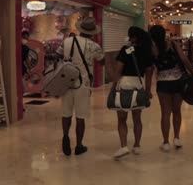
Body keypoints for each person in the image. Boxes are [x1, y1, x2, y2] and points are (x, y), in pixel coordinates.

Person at [56, 17, 105, 156]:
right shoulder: (93, 45)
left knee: (66, 113)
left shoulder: (66, 41)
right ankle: (78, 145)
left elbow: (57, 55)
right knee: (80, 116)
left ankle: (65, 137)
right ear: (92, 32)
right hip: (83, 84)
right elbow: (102, 61)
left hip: (66, 82)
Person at [150, 25, 193, 152]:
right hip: (178, 81)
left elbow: (151, 67)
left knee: (165, 113)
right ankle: (176, 138)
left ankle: (165, 142)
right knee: (177, 111)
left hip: (162, 83)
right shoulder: (173, 44)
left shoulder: (153, 49)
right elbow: (184, 59)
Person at [112, 27, 154, 159]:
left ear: (133, 38)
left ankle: (124, 146)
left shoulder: (126, 50)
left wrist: (113, 87)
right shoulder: (146, 52)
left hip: (124, 84)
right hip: (138, 84)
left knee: (122, 118)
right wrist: (147, 90)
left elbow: (118, 70)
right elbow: (149, 73)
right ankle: (137, 146)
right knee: (137, 118)